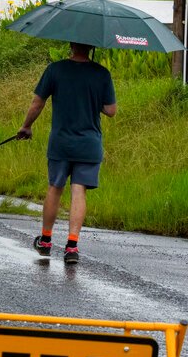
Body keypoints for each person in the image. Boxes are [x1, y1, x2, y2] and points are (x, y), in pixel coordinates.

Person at [17, 42, 117, 265]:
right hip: (89, 145)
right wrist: (94, 99)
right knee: (78, 191)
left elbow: (37, 103)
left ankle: (45, 241)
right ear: (92, 47)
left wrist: (26, 126)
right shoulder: (102, 74)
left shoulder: (55, 70)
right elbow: (111, 110)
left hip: (61, 143)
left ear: (71, 45)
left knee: (55, 188)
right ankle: (72, 246)